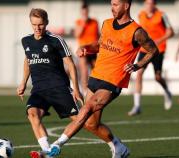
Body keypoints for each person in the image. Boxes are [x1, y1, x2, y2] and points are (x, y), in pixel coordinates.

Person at [46, 0, 159, 157]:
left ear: (126, 6)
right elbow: (100, 44)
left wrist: (137, 65)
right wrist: (86, 48)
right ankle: (118, 147)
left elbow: (153, 50)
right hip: (97, 75)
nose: (112, 7)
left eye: (116, 4)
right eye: (111, 4)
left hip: (114, 80)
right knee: (90, 124)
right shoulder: (106, 24)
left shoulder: (136, 31)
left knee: (86, 109)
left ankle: (56, 145)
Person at [17, 8, 130, 158]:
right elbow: (28, 60)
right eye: (34, 25)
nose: (37, 28)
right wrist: (23, 82)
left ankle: (116, 144)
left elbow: (70, 64)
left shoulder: (56, 40)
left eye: (41, 24)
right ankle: (47, 152)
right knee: (32, 114)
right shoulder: (26, 41)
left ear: (47, 23)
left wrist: (75, 89)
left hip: (59, 88)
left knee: (86, 122)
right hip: (39, 89)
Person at [128, 0, 174, 116]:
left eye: (151, 3)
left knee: (158, 77)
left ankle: (167, 92)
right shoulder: (141, 15)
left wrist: (159, 40)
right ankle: (137, 106)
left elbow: (171, 32)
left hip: (158, 50)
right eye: (147, 3)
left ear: (155, 4)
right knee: (138, 73)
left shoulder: (162, 15)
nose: (149, 5)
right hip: (145, 50)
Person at [74, 3, 99, 95]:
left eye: (86, 12)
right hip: (83, 50)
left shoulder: (94, 22)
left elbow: (98, 35)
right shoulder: (78, 22)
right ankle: (84, 92)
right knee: (84, 71)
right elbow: (77, 34)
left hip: (93, 50)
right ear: (81, 12)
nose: (85, 14)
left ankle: (95, 89)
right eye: (83, 12)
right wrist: (83, 23)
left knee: (96, 70)